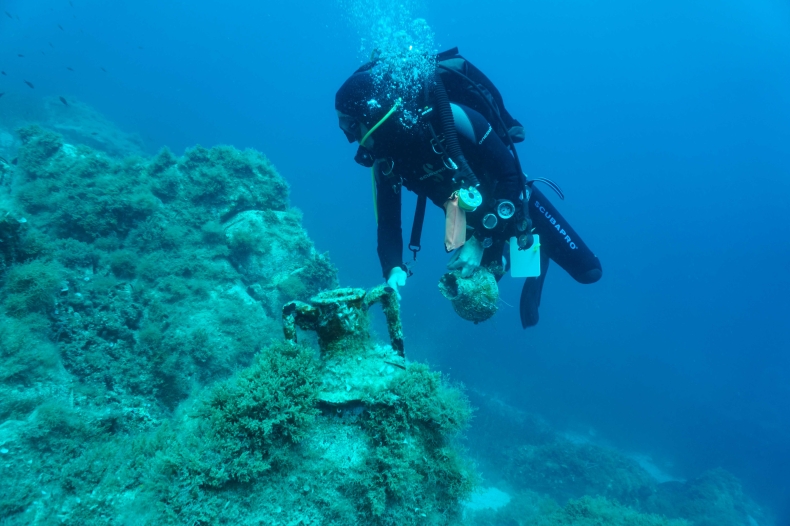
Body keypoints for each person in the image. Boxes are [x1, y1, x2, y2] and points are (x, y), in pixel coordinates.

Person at [335, 48, 602, 327]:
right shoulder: (386, 160)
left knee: (590, 272)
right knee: (470, 298)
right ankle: (515, 254)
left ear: (372, 112)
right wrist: (392, 269)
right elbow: (388, 223)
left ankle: (534, 249)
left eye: (351, 125)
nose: (350, 138)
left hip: (512, 202)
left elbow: (510, 175)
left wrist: (478, 243)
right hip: (472, 220)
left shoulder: (450, 118)